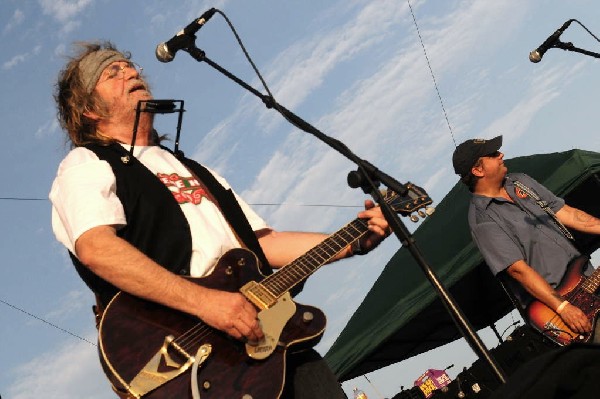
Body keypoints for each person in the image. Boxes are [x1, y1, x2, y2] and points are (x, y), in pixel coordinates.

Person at [49, 41, 391, 398]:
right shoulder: (87, 164)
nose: (131, 72)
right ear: (88, 109)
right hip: (195, 361)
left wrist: (354, 240)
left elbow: (263, 243)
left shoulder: (196, 170)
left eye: (129, 67)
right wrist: (205, 303)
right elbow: (96, 248)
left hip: (272, 339)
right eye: (111, 73)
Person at [452, 135, 600, 342]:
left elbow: (567, 213)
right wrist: (563, 307)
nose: (501, 155)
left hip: (589, 278)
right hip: (562, 306)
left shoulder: (520, 181)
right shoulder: (482, 218)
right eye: (493, 155)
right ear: (478, 170)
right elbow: (517, 270)